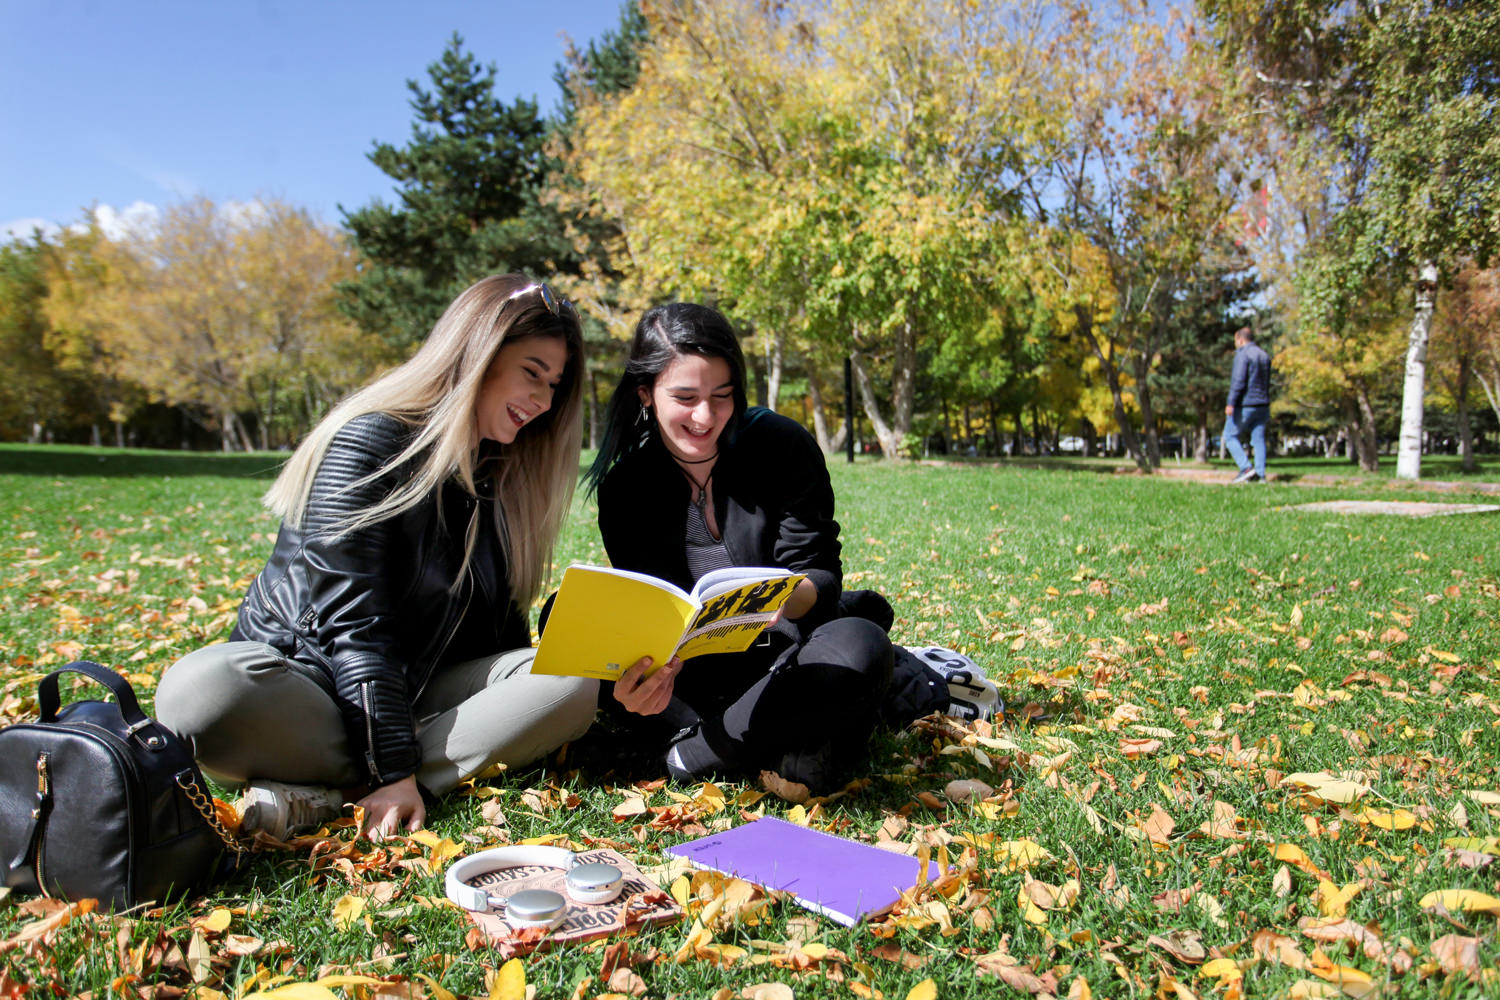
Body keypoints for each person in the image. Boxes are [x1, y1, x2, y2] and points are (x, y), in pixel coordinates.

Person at [156, 274, 598, 841]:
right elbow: (356, 628)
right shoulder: (369, 444)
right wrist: (393, 769)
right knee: (199, 691)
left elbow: (496, 641)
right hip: (309, 687)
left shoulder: (500, 476)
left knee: (574, 681)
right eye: (532, 373)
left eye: (554, 385)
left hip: (417, 694)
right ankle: (397, 777)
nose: (544, 401)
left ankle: (328, 799)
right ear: (474, 357)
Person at [580, 303, 894, 797]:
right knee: (567, 622)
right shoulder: (626, 487)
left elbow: (819, 572)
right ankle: (783, 738)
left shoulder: (781, 446)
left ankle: (688, 754)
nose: (705, 417)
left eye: (722, 396)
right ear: (645, 394)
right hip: (688, 676)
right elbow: (651, 609)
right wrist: (638, 682)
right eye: (685, 398)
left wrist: (784, 596)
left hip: (782, 655)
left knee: (860, 643)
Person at [1224, 325, 1272, 483]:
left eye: (1235, 341)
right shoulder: (1264, 355)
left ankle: (1246, 468)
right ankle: (1260, 475)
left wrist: (1231, 402)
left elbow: (1238, 380)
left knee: (1229, 436)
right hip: (1263, 404)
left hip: (1246, 404)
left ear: (1240, 339)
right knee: (1258, 439)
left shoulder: (1243, 355)